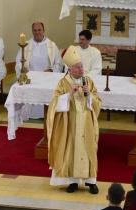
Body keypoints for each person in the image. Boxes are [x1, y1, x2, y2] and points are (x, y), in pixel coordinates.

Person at [47, 45, 101, 194]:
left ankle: (91, 181)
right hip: (70, 124)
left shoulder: (88, 81)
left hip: (86, 123)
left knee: (89, 148)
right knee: (71, 150)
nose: (81, 69)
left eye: (82, 66)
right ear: (70, 69)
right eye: (78, 67)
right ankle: (72, 182)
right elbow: (54, 104)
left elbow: (98, 102)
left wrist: (89, 94)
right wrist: (68, 95)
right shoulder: (63, 83)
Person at [15, 22, 62, 119]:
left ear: (43, 30)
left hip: (46, 79)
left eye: (39, 30)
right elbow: (18, 61)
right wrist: (22, 69)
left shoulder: (52, 45)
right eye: (35, 30)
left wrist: (52, 71)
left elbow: (59, 63)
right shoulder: (26, 45)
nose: (37, 32)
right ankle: (29, 114)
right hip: (30, 78)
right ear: (32, 31)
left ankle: (46, 114)